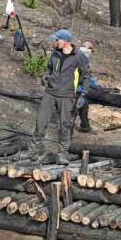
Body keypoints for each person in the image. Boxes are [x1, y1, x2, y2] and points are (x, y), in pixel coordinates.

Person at [29, 29, 91, 158]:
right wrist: (45, 76)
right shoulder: (55, 54)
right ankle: (33, 150)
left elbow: (86, 77)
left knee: (65, 125)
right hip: (50, 93)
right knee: (41, 121)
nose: (55, 42)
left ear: (66, 41)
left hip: (68, 96)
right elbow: (49, 69)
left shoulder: (79, 56)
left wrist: (83, 95)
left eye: (57, 39)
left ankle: (62, 153)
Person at [76, 42, 99, 133]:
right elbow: (83, 77)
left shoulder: (76, 55)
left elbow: (87, 75)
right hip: (74, 88)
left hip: (76, 87)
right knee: (83, 106)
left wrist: (95, 84)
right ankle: (85, 127)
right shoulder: (80, 59)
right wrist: (93, 85)